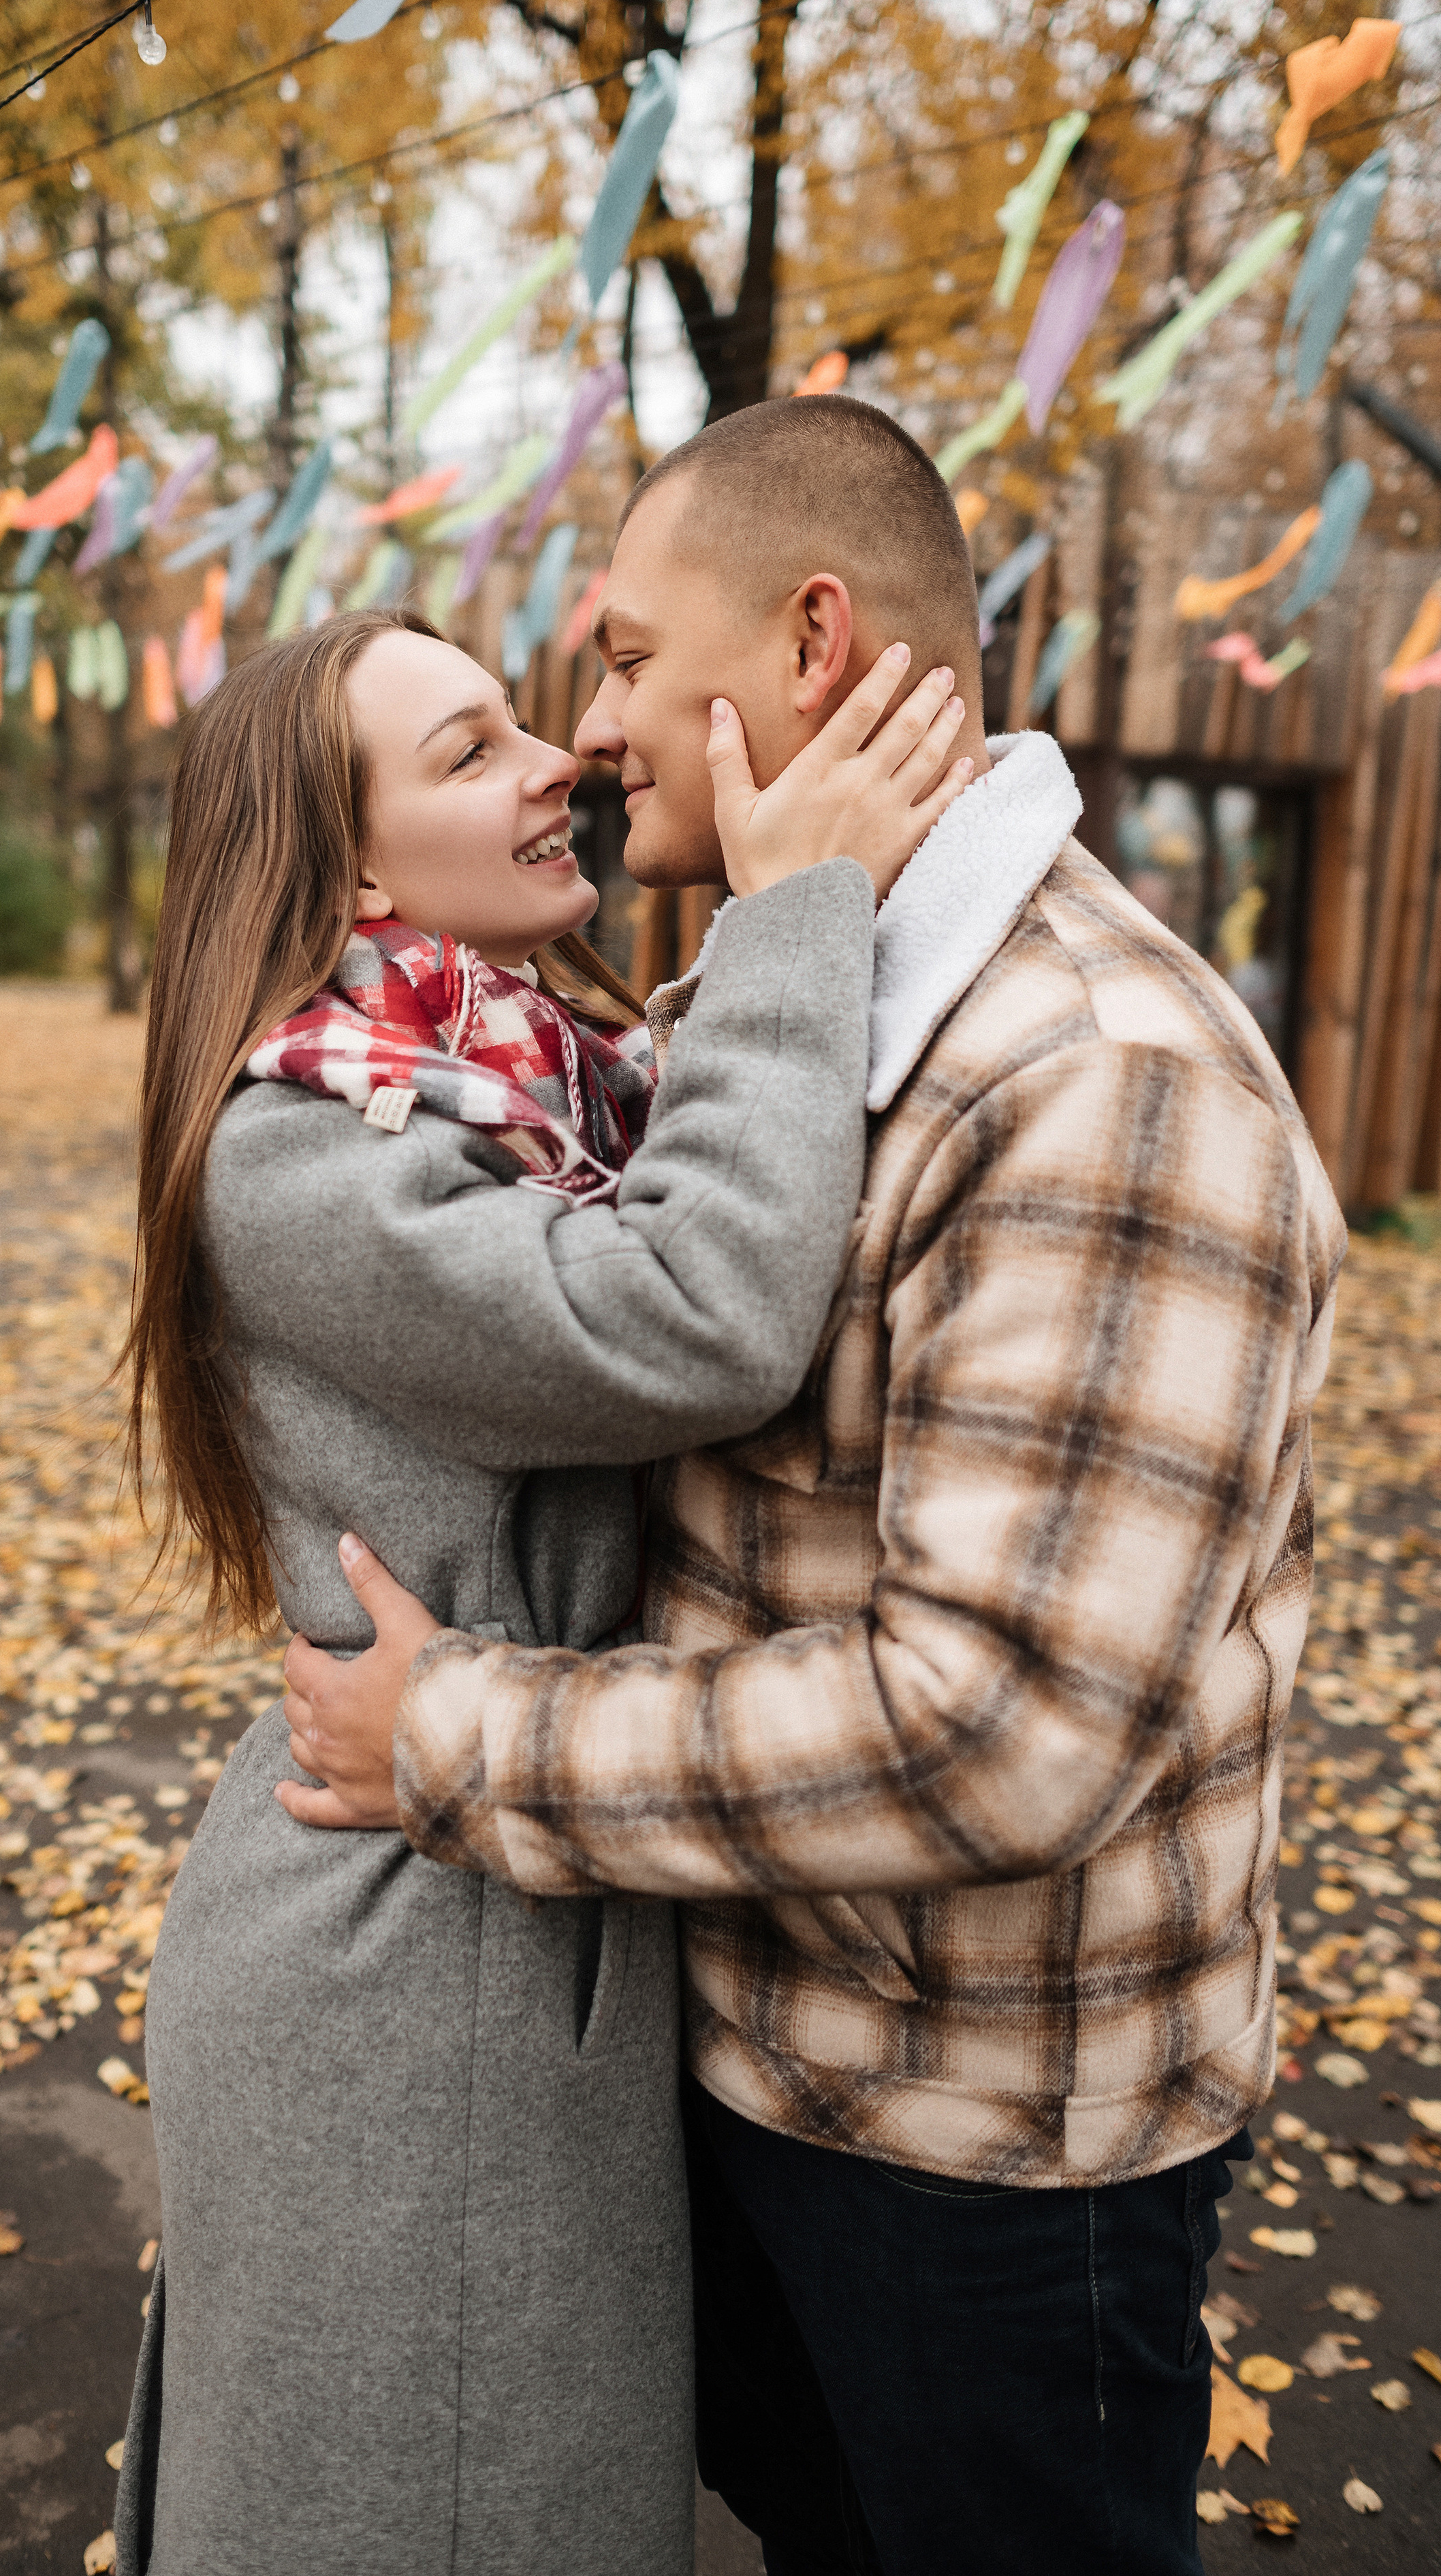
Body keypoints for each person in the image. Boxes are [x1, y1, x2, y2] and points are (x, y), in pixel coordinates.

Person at [278, 396, 1350, 2576]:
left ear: (815, 641)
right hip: (759, 2069)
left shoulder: (1101, 1079)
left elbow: (998, 1719)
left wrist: (462, 1735)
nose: (588, 734)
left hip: (984, 2167)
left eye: (623, 660)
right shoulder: (810, 995)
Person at [111, 599, 969, 2576]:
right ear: (342, 868)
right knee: (436, 2507)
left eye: (531, 730)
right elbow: (695, 1314)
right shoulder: (301, 1153)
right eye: (474, 751)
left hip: (494, 1874)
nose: (554, 765)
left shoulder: (538, 1076)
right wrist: (796, 907)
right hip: (407, 1969)